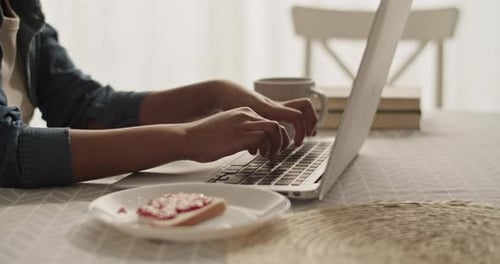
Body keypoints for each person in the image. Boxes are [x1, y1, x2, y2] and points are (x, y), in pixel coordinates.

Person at [0, 0, 318, 188]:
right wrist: (188, 138)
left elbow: (84, 107)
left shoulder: (23, 8)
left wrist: (215, 94)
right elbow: (8, 151)